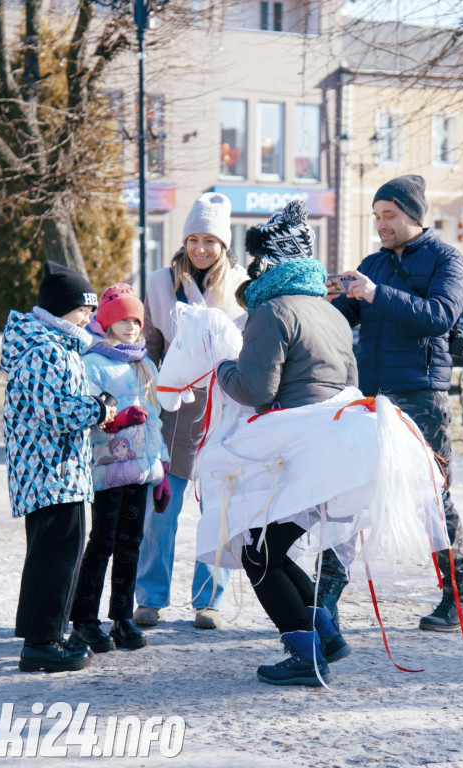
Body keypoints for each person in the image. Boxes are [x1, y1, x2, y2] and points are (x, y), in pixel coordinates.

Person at [319, 174, 463, 632]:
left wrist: (373, 292)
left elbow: (440, 317)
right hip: (369, 397)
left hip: (421, 394)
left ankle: (461, 596)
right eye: (375, 216)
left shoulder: (446, 258)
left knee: (432, 495)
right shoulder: (372, 262)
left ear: (414, 216)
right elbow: (338, 321)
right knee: (348, 491)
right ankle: (325, 597)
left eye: (388, 215)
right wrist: (316, 300)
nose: (380, 224)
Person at [216, 200, 355, 685]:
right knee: (271, 550)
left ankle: (306, 655)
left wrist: (222, 368)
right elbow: (349, 383)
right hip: (334, 453)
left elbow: (256, 390)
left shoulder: (272, 310)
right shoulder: (330, 312)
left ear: (268, 264)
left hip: (293, 452)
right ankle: (326, 636)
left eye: (255, 265)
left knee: (256, 553)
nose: (250, 275)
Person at [134, 192, 247, 630]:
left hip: (225, 405)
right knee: (161, 505)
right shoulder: (162, 281)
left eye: (210, 240)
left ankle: (209, 599)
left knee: (217, 507)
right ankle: (151, 595)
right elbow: (152, 343)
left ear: (224, 243)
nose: (200, 248)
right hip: (175, 406)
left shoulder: (241, 282)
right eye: (194, 238)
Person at [1, 260, 116, 672]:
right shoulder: (44, 348)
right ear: (58, 308)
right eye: (83, 308)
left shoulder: (53, 344)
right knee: (56, 558)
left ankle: (49, 635)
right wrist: (99, 407)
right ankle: (41, 643)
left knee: (57, 556)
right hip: (50, 473)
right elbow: (57, 410)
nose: (89, 315)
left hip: (57, 472)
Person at [70, 284, 170, 652]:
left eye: (136, 320)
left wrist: (160, 467)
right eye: (123, 319)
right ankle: (84, 619)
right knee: (103, 542)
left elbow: (156, 419)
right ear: (107, 322)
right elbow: (90, 418)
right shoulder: (93, 363)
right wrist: (116, 420)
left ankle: (121, 616)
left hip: (140, 473)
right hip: (108, 470)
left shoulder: (145, 364)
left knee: (132, 543)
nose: (131, 327)